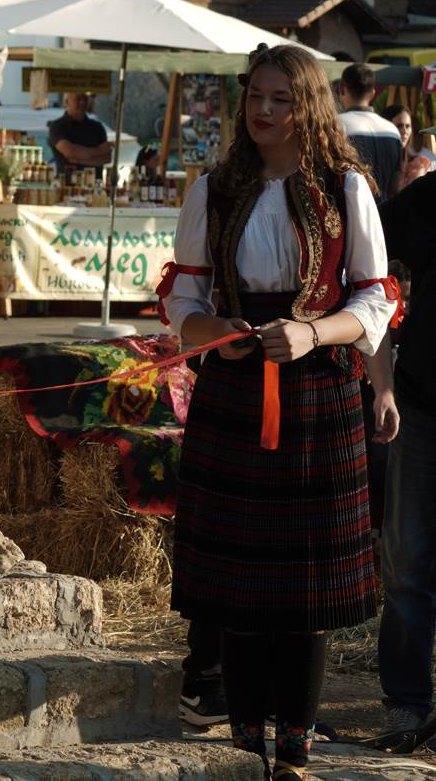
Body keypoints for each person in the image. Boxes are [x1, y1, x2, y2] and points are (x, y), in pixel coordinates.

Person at [161, 45, 397, 780]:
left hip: (319, 388)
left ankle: (293, 750)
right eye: (254, 96)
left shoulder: (344, 186)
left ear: (309, 107)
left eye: (280, 100)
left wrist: (311, 332)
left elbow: (377, 296)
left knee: (304, 587)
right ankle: (243, 743)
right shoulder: (214, 188)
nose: (263, 111)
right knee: (236, 583)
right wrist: (214, 337)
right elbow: (183, 300)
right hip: (235, 388)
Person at [376, 171, 436, 743]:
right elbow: (370, 243)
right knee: (407, 565)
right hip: (425, 402)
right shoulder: (433, 196)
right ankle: (406, 705)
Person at [337, 63, 401, 203]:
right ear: (372, 93)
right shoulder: (393, 131)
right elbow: (395, 186)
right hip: (384, 216)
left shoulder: (336, 126)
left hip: (350, 217)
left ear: (342, 90)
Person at [48, 92, 113, 175]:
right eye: (78, 99)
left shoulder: (97, 127)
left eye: (85, 99)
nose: (82, 102)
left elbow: (107, 157)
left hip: (94, 185)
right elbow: (70, 151)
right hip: (68, 186)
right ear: (67, 101)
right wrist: (99, 151)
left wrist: (79, 159)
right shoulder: (57, 126)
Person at [381, 104, 433, 194]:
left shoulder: (419, 164)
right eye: (399, 126)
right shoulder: (376, 160)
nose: (404, 131)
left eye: (408, 126)